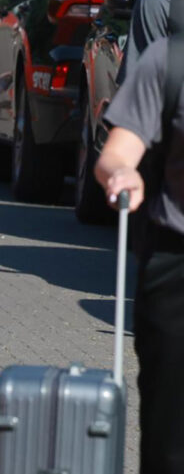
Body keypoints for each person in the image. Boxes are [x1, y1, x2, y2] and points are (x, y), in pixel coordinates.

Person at [96, 33, 184, 474]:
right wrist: (123, 173)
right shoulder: (169, 62)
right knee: (170, 450)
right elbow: (115, 154)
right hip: (176, 270)